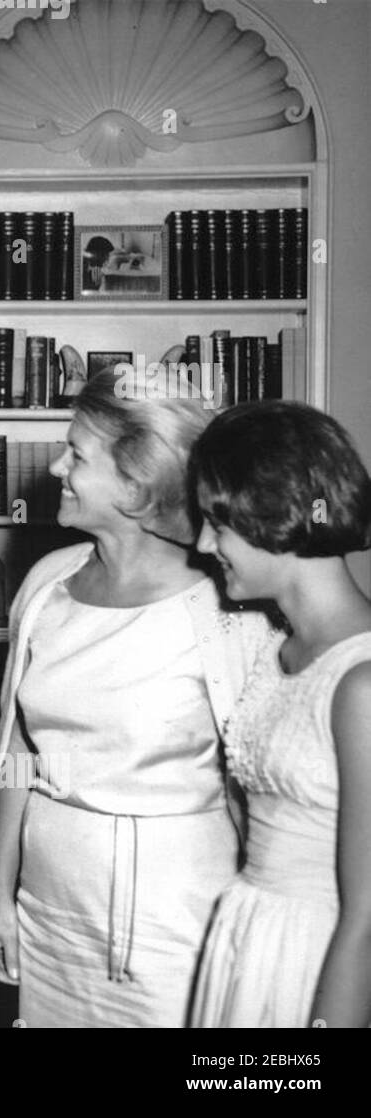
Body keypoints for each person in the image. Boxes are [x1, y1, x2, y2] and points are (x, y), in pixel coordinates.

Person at [0, 370, 275, 1027]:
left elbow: (261, 796)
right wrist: (1, 898)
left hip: (178, 926)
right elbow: (16, 756)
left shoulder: (229, 611)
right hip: (50, 913)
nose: (56, 466)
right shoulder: (46, 584)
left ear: (138, 486)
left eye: (77, 455)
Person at [189, 401, 371, 1029]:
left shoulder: (362, 682)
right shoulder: (273, 650)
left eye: (219, 522)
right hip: (250, 944)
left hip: (322, 968)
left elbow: (368, 916)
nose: (203, 543)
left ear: (279, 512)